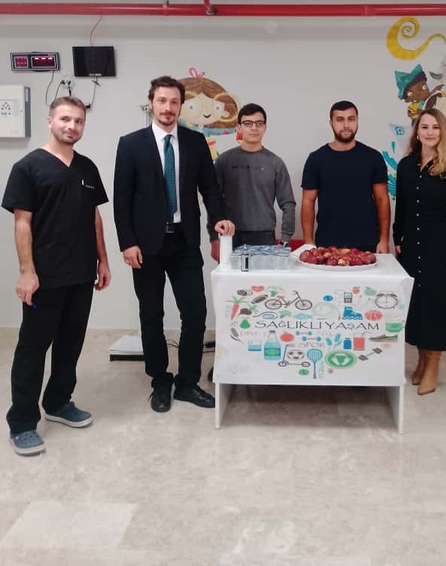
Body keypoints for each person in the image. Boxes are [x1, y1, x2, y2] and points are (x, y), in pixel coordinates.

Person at [113, 76, 235, 413]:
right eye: (162, 101)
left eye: (174, 102)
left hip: (184, 241)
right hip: (145, 246)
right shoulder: (131, 144)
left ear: (181, 106)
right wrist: (127, 243)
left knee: (195, 313)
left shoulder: (196, 142)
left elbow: (210, 188)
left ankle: (187, 382)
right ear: (151, 103)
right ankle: (159, 380)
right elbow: (122, 200)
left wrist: (218, 221)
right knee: (151, 314)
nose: (168, 108)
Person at [2, 96, 111, 456]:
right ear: (50, 121)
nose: (72, 126)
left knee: (70, 344)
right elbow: (22, 223)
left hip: (81, 273)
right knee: (33, 349)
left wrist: (103, 261)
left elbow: (94, 217)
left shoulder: (87, 167)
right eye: (65, 119)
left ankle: (58, 402)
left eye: (78, 121)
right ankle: (22, 423)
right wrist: (26, 272)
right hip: (44, 276)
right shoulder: (28, 167)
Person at [393, 108, 446, 395]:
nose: (430, 132)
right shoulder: (405, 165)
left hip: (439, 244)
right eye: (425, 127)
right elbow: (402, 206)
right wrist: (397, 238)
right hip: (411, 243)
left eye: (435, 127)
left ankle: (433, 364)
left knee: (436, 303)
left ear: (442, 132)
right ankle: (421, 361)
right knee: (418, 304)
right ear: (417, 132)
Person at [301, 101, 390, 252]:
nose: (346, 125)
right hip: (327, 244)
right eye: (340, 119)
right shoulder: (316, 159)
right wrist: (308, 242)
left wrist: (384, 239)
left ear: (357, 121)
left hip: (368, 243)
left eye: (351, 119)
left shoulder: (373, 157)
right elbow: (308, 201)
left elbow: (382, 199)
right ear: (331, 123)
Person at [210, 103, 295, 259]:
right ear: (239, 127)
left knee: (264, 276)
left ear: (265, 127)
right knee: (230, 276)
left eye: (259, 123)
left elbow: (288, 203)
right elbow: (213, 201)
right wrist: (214, 238)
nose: (254, 128)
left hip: (264, 237)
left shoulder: (275, 163)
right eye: (248, 123)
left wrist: (285, 239)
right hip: (230, 236)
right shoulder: (224, 161)